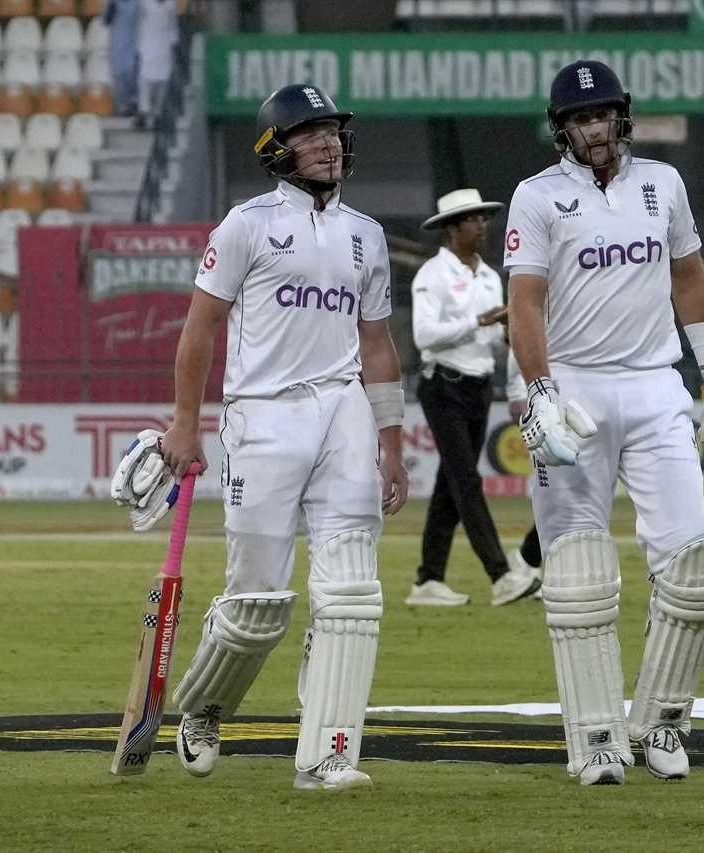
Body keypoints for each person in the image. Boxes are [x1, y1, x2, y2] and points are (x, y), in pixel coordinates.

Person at [110, 83, 409, 791]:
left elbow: (378, 342)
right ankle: (205, 706)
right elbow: (199, 330)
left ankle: (328, 752)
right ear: (277, 149)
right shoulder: (245, 225)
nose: (330, 144)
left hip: (343, 408)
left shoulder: (365, 235)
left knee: (351, 593)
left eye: (333, 131)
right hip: (263, 414)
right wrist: (186, 422)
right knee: (257, 605)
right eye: (311, 134)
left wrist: (391, 444)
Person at [505, 60, 704, 786]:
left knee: (694, 571)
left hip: (653, 387)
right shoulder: (536, 197)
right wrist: (540, 392)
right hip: (575, 389)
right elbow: (525, 302)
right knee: (578, 574)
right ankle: (594, 738)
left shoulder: (662, 184)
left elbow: (689, 278)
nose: (597, 129)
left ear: (622, 117)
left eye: (606, 115)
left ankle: (662, 721)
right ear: (564, 129)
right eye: (583, 119)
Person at [408, 188, 540, 608]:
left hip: (480, 385)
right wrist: (479, 320)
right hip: (443, 384)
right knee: (466, 480)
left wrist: (503, 334)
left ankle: (428, 580)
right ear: (451, 229)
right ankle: (500, 575)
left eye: (483, 218)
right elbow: (424, 336)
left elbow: (495, 344)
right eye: (472, 219)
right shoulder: (432, 274)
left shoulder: (489, 276)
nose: (482, 225)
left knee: (451, 482)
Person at [504, 347, 543, 594]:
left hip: (586, 400)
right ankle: (529, 559)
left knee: (578, 495)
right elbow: (522, 338)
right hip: (544, 405)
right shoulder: (545, 308)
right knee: (556, 494)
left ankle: (529, 558)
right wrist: (517, 393)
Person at [135, 0, 179, 130]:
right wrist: (139, 46)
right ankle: (143, 113)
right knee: (144, 80)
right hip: (147, 43)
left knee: (163, 81)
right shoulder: (144, 3)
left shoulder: (171, 4)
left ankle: (158, 115)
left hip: (165, 45)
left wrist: (173, 44)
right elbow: (138, 23)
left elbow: (173, 25)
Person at [104, 0, 139, 117]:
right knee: (118, 76)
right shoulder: (111, 2)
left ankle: (135, 103)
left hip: (134, 45)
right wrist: (111, 9)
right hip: (117, 47)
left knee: (133, 74)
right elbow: (106, 21)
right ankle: (123, 108)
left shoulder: (138, 3)